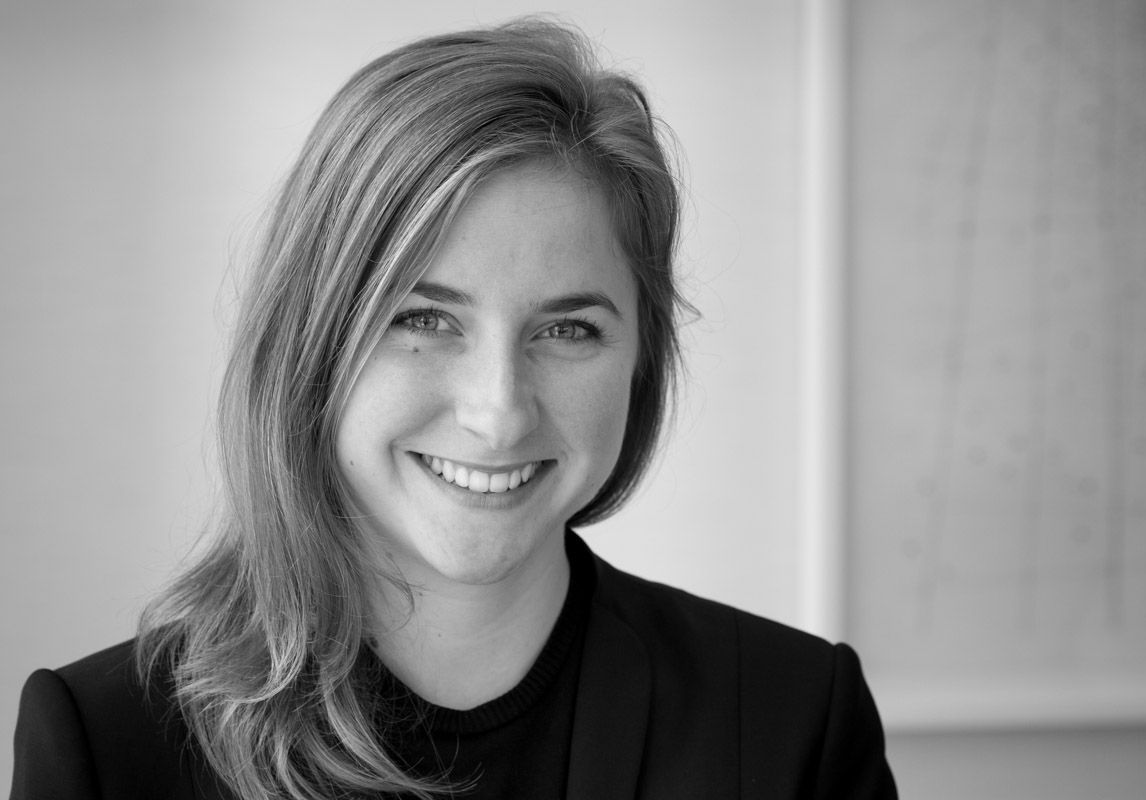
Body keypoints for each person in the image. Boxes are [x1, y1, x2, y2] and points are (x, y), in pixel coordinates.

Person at [10, 19, 897, 800]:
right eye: (425, 320)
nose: (500, 412)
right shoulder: (107, 742)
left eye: (570, 330)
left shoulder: (792, 721)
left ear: (642, 361)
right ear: (312, 340)